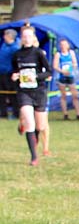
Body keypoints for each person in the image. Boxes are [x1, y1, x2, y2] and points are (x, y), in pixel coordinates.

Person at [11, 25, 50, 165]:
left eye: (29, 36)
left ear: (33, 38)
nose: (27, 39)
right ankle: (34, 157)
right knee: (30, 123)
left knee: (40, 126)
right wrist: (15, 76)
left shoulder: (39, 53)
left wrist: (36, 77)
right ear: (21, 39)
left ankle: (35, 140)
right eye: (24, 36)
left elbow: (48, 72)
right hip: (24, 92)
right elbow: (14, 71)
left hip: (38, 91)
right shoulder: (17, 55)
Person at [53, 38, 79, 121]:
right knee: (63, 96)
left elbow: (75, 63)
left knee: (75, 95)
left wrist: (71, 69)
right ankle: (65, 114)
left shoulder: (71, 53)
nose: (63, 47)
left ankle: (78, 113)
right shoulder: (58, 54)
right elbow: (55, 66)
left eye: (65, 45)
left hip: (70, 76)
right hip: (62, 77)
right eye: (62, 45)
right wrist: (62, 71)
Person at [0, 28, 20, 119]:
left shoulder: (15, 48)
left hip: (10, 74)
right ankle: (3, 113)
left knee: (13, 94)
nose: (4, 37)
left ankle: (16, 113)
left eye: (5, 35)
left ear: (10, 36)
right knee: (1, 94)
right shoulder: (4, 45)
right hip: (1, 73)